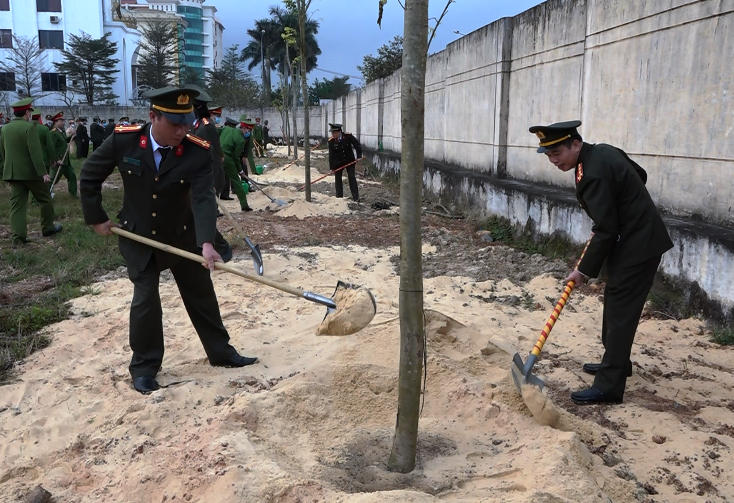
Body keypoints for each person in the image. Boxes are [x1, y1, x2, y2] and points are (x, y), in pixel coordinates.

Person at [79, 86, 258, 395]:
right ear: (153, 117)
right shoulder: (125, 140)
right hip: (138, 236)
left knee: (201, 294)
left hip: (183, 235)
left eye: (186, 122)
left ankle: (221, 353)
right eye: (175, 124)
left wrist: (206, 243)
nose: (182, 130)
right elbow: (90, 175)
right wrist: (96, 218)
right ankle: (145, 368)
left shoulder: (197, 150)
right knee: (146, 300)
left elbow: (203, 199)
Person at [529, 120, 674, 405]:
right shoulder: (602, 152)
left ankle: (609, 386)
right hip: (632, 239)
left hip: (637, 245)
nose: (553, 161)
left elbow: (606, 229)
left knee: (621, 311)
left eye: (557, 153)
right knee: (614, 302)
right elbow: (639, 175)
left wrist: (582, 271)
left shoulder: (592, 174)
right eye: (548, 156)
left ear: (575, 144)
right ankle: (617, 361)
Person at [1, 98, 62, 244]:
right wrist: (43, 173)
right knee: (45, 199)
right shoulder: (29, 128)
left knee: (17, 206)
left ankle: (18, 238)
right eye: (29, 111)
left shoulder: (5, 128)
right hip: (31, 174)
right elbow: (35, 154)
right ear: (27, 112)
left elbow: (3, 152)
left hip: (14, 174)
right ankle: (47, 228)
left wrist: (7, 171)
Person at [187, 84, 232, 261]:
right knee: (194, 214)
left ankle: (221, 248)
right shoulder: (196, 125)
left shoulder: (207, 127)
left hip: (209, 177)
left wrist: (212, 182)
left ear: (196, 108)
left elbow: (214, 155)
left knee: (202, 215)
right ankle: (215, 247)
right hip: (196, 177)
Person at [219, 117, 252, 212]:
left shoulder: (226, 129)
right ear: (244, 128)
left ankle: (214, 209)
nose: (248, 133)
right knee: (237, 181)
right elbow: (236, 157)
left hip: (217, 155)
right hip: (227, 158)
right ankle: (244, 205)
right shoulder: (241, 141)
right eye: (248, 130)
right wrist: (240, 171)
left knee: (216, 182)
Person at [327, 123, 362, 201]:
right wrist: (332, 168)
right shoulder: (331, 141)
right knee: (338, 179)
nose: (332, 134)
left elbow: (357, 145)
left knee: (351, 177)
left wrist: (359, 156)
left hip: (349, 161)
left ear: (339, 131)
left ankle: (356, 197)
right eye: (332, 133)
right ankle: (339, 198)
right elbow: (331, 155)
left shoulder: (348, 137)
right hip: (338, 163)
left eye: (334, 133)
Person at [49, 112, 77, 197]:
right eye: (61, 121)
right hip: (59, 161)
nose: (63, 122)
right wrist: (56, 159)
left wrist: (73, 136)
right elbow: (51, 148)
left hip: (66, 161)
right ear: (55, 122)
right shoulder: (53, 133)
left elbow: (65, 141)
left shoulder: (61, 132)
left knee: (72, 176)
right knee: (53, 179)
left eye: (63, 121)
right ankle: (44, 193)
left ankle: (73, 194)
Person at [32, 108, 57, 173]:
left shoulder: (25, 128)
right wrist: (53, 159)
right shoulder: (44, 129)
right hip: (43, 159)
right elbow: (49, 146)